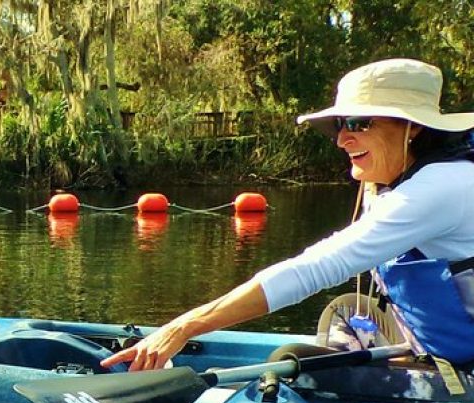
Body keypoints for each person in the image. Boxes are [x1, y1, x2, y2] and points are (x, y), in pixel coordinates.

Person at [101, 58, 474, 372]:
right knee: (345, 312)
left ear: (414, 127)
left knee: (291, 364)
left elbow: (313, 269)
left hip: (465, 369)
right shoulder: (417, 178)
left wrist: (183, 327)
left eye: (359, 123)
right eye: (339, 125)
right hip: (445, 344)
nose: (342, 139)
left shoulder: (439, 186)